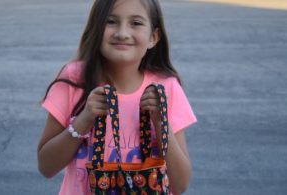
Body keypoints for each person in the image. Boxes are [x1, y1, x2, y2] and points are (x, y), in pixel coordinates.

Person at [37, 0, 197, 194]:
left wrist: (161, 123)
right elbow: (46, 166)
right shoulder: (75, 78)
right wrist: (83, 120)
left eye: (136, 23)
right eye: (111, 21)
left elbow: (180, 185)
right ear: (96, 28)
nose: (122, 33)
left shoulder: (164, 88)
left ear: (153, 38)